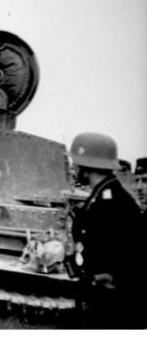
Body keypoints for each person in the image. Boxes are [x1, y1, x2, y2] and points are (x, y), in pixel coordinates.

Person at [68, 132, 145, 329]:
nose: (74, 168)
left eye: (77, 163)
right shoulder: (102, 195)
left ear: (88, 166)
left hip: (114, 305)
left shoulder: (112, 202)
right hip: (103, 297)